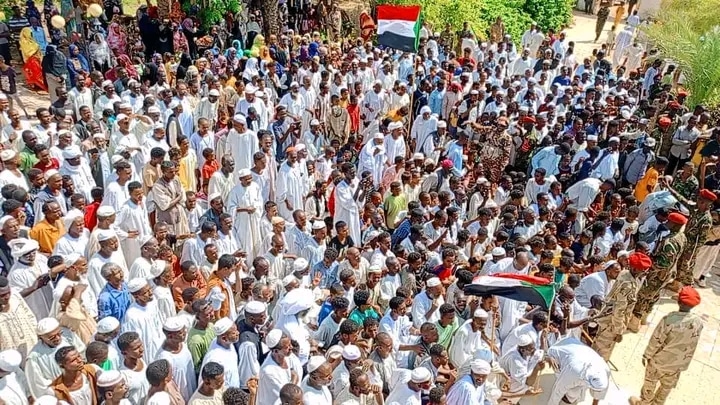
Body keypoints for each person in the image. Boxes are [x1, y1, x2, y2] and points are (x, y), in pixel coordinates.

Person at [629, 286, 704, 405]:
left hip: (659, 362)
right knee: (666, 387)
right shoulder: (698, 322)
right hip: (677, 364)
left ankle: (645, 403)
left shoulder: (669, 319)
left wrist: (647, 355)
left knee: (650, 383)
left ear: (678, 302)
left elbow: (656, 340)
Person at [18, 27, 46, 91]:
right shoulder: (23, 42)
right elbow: (28, 53)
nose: (31, 34)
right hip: (31, 60)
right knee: (34, 74)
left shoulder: (32, 40)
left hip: (36, 59)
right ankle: (36, 86)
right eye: (30, 33)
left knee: (39, 73)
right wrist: (36, 48)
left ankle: (39, 85)